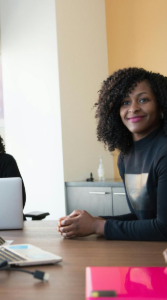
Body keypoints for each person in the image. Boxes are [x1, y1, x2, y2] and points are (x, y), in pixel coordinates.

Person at [57, 67, 167, 241]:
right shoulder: (125, 156)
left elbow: (163, 228)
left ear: (161, 105)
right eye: (125, 102)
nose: (133, 108)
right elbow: (143, 219)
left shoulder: (164, 152)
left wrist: (97, 226)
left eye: (143, 99)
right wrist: (94, 221)